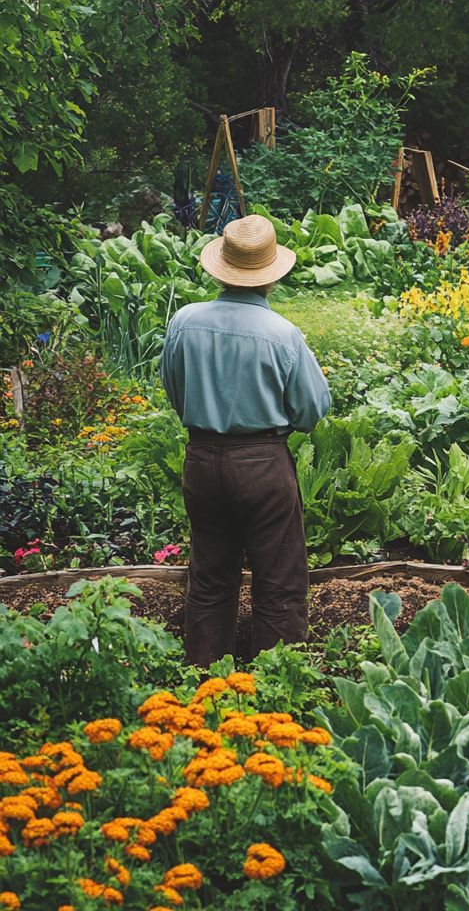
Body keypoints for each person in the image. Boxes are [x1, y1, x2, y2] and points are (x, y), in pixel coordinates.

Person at [159, 215, 332, 665]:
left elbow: (174, 391)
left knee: (211, 575)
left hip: (202, 458)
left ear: (222, 267)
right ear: (271, 276)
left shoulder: (184, 322)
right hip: (262, 462)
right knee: (278, 579)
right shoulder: (283, 335)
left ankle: (205, 678)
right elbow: (312, 410)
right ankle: (274, 685)